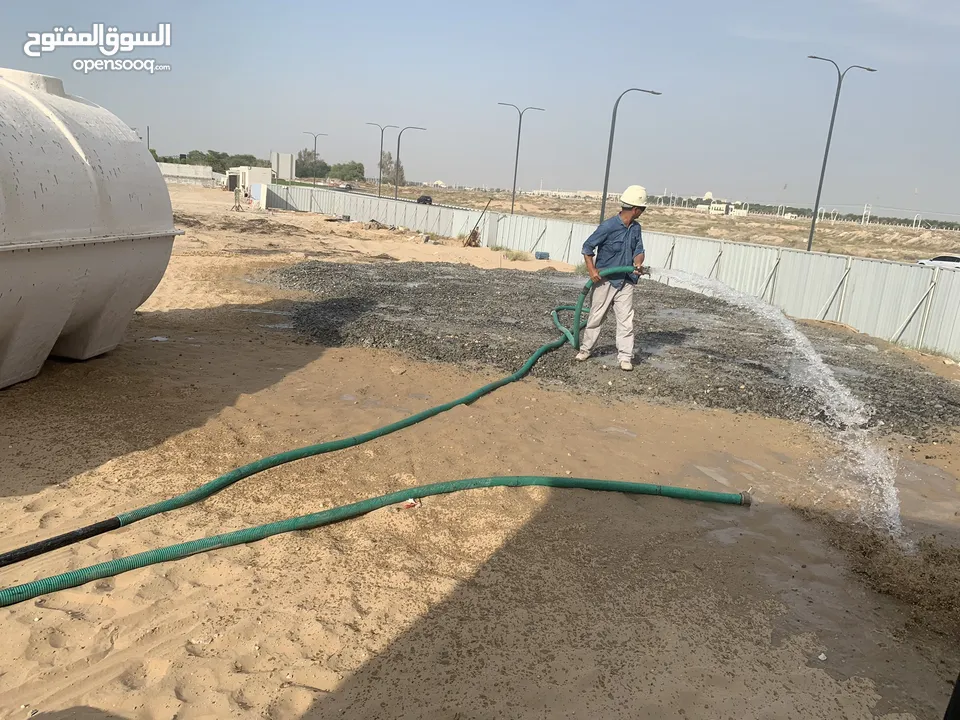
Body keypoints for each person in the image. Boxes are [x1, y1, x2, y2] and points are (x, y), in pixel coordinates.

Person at [576, 185, 649, 371]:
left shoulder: (636, 229)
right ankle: (586, 349)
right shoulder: (608, 227)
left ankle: (625, 357)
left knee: (626, 320)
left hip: (626, 281)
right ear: (635, 209)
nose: (642, 212)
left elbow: (639, 250)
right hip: (605, 281)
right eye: (642, 209)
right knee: (596, 317)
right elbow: (587, 248)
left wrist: (638, 263)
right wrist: (592, 271)